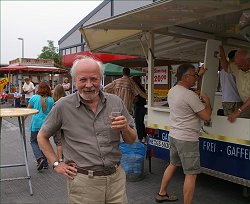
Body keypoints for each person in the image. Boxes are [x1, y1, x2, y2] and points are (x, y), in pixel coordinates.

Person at [37, 56, 136, 204]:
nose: (89, 85)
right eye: (83, 80)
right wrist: (56, 164)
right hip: (83, 183)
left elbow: (132, 139)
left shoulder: (116, 102)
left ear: (101, 79)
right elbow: (42, 136)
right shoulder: (63, 106)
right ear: (74, 80)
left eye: (94, 79)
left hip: (116, 180)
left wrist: (125, 128)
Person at [155, 64, 212, 204]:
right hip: (187, 139)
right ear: (186, 77)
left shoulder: (172, 91)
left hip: (174, 135)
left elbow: (190, 89)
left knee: (173, 164)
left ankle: (161, 193)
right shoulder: (189, 95)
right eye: (194, 75)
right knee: (191, 174)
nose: (195, 78)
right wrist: (208, 104)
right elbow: (206, 117)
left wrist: (200, 76)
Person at [27, 81, 54, 171]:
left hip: (36, 124)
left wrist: (23, 119)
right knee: (44, 142)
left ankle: (40, 159)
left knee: (33, 141)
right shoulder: (51, 99)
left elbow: (28, 110)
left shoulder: (34, 98)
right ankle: (45, 162)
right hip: (46, 124)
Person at [220, 47, 250, 122]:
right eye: (237, 64)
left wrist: (239, 111)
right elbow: (226, 67)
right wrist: (221, 48)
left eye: (241, 65)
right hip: (246, 105)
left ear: (248, 61)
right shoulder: (238, 68)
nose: (238, 68)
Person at [219, 47, 242, 115]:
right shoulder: (236, 69)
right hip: (236, 99)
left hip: (225, 99)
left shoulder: (222, 71)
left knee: (228, 122)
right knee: (238, 122)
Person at [52, 84, 66, 162]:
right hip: (65, 122)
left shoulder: (54, 100)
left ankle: (60, 159)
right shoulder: (66, 99)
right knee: (65, 140)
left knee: (59, 142)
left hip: (57, 123)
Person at [131, 76, 147, 143]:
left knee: (138, 122)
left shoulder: (137, 89)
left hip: (139, 107)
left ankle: (140, 138)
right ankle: (144, 136)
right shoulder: (142, 87)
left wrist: (131, 101)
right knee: (141, 122)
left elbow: (136, 98)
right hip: (143, 107)